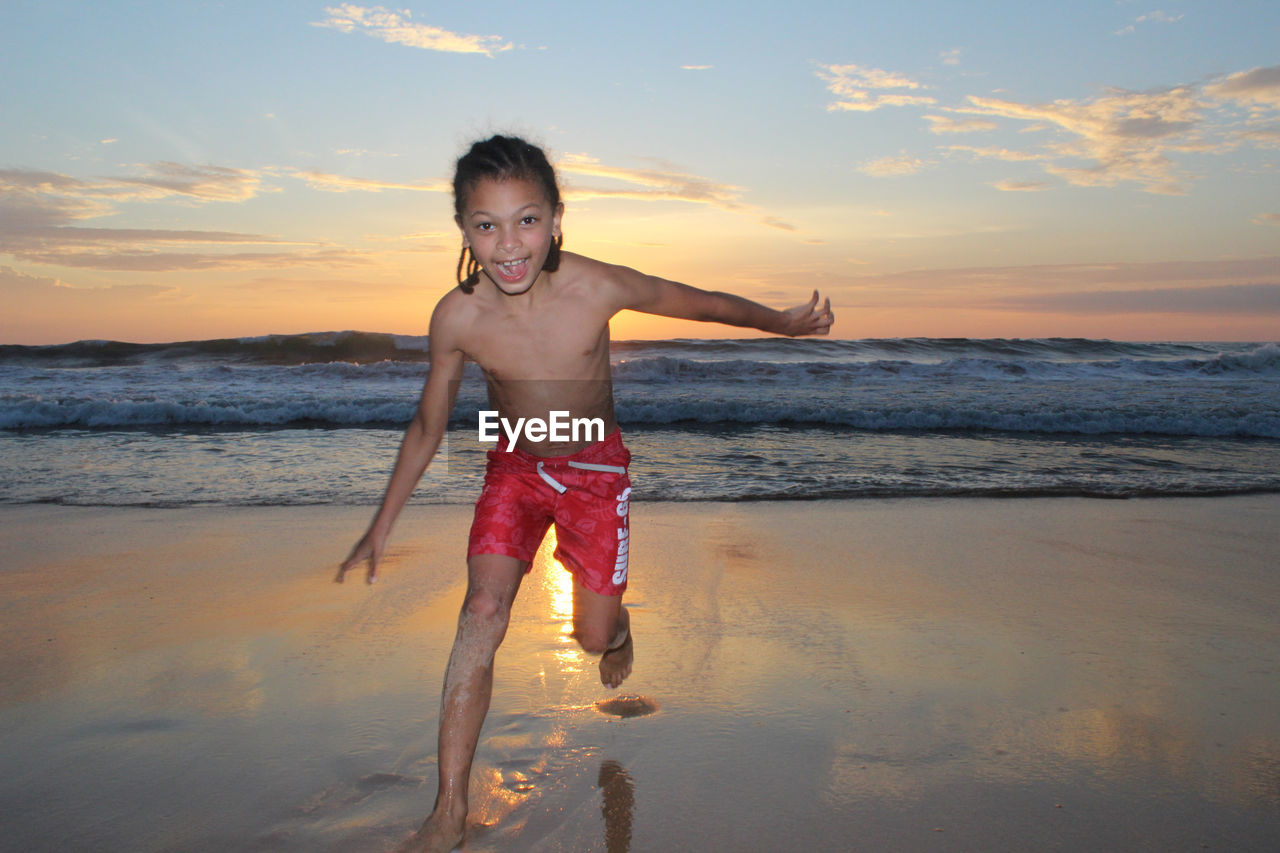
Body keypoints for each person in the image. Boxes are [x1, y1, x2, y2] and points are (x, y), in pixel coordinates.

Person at [337, 134, 833, 851]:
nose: (509, 244)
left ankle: (618, 625)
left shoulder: (596, 286)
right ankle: (448, 812)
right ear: (464, 233)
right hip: (512, 468)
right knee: (481, 611)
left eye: (527, 220)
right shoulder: (458, 316)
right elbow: (429, 421)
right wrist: (383, 522)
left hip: (595, 473)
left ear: (557, 220)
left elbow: (697, 303)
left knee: (592, 635)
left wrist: (781, 323)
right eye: (487, 225)